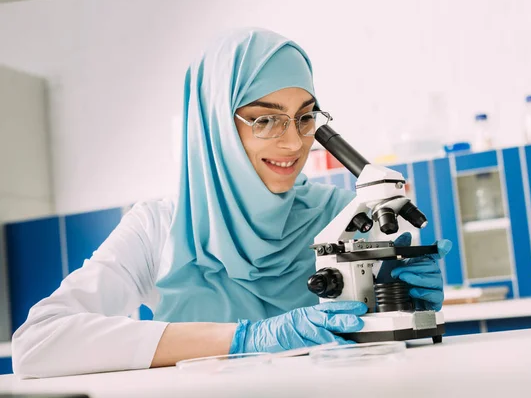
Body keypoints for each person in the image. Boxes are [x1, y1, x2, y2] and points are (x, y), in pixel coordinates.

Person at [11, 27, 451, 378]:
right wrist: (244, 339)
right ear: (214, 124)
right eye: (265, 119)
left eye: (304, 117)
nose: (294, 141)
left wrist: (400, 301)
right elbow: (38, 344)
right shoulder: (158, 228)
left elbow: (381, 359)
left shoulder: (340, 217)